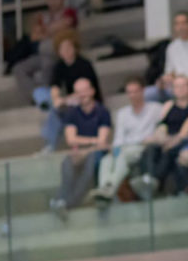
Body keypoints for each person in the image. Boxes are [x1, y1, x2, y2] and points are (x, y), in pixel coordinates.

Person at [92, 78, 162, 206]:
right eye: (129, 92)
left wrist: (153, 137)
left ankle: (110, 188)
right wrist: (115, 149)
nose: (132, 95)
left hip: (143, 148)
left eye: (135, 91)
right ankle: (104, 188)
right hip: (125, 148)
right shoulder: (122, 113)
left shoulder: (156, 109)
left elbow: (161, 129)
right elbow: (119, 137)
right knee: (106, 159)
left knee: (123, 157)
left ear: (142, 91)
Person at [49, 77, 112, 218]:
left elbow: (102, 142)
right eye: (78, 92)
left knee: (91, 161)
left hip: (96, 154)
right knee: (67, 163)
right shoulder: (72, 113)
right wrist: (92, 141)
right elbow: (71, 139)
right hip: (79, 152)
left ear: (92, 91)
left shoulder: (102, 112)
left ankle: (68, 203)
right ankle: (61, 199)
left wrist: (86, 148)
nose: (82, 95)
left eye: (84, 91)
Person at [11, 0, 79, 104]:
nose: (53, 2)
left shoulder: (68, 11)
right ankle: (36, 97)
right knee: (19, 68)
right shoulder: (43, 16)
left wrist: (46, 30)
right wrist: (51, 29)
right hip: (41, 53)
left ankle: (46, 98)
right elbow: (34, 36)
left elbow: (66, 23)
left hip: (59, 52)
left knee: (47, 65)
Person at [40, 33, 101, 153]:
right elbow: (55, 86)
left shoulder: (84, 64)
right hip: (70, 101)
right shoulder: (59, 66)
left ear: (75, 48)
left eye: (68, 47)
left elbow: (85, 90)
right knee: (41, 93)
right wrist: (56, 98)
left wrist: (64, 100)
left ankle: (50, 144)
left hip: (86, 98)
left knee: (56, 112)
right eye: (62, 48)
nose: (66, 51)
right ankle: (50, 141)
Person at [135, 75, 188, 197]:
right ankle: (147, 178)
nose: (181, 89)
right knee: (150, 150)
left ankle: (156, 181)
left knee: (170, 152)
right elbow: (162, 125)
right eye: (177, 86)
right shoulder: (169, 105)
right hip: (168, 138)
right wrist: (161, 137)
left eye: (183, 86)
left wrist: (174, 140)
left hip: (186, 139)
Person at [148, 12, 188, 103]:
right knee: (148, 93)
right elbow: (170, 71)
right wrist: (165, 80)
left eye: (183, 23)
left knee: (183, 88)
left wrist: (185, 81)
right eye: (177, 24)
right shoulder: (172, 47)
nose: (180, 27)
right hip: (176, 84)